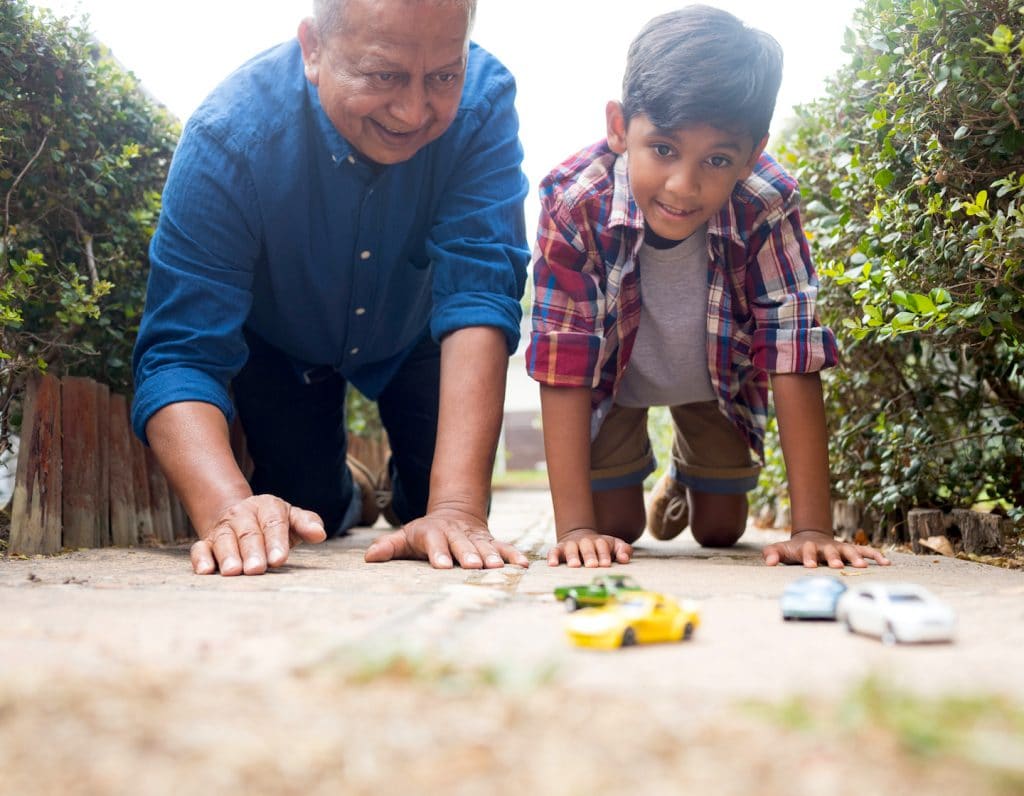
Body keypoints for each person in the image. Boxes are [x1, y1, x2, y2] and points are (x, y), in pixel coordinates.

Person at [131, 0, 531, 576]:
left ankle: (410, 496)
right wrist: (226, 509)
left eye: (443, 76)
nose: (414, 109)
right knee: (310, 509)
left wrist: (457, 507)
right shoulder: (228, 137)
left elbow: (481, 288)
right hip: (285, 344)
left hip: (418, 331)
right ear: (313, 50)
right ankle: (359, 492)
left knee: (439, 517)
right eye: (382, 75)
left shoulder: (485, 101)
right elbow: (178, 352)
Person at [527, 5, 891, 570]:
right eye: (664, 149)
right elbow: (563, 352)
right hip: (612, 382)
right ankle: (629, 485)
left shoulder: (767, 202)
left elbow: (791, 341)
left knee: (721, 531)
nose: (683, 185)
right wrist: (574, 528)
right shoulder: (575, 202)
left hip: (715, 378)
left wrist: (811, 528)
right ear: (620, 127)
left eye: (717, 160)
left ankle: (683, 475)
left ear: (751, 155)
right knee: (615, 528)